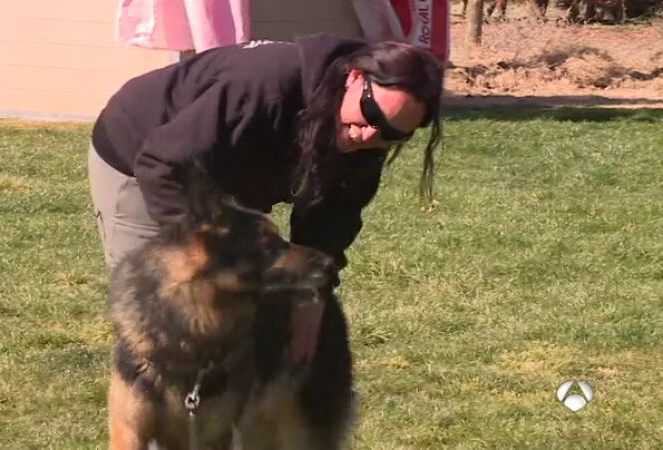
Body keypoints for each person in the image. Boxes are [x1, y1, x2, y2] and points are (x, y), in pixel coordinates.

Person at [88, 33, 443, 366]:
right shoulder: (265, 85)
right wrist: (209, 252)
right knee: (164, 321)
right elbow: (163, 165)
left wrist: (309, 300)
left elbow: (328, 223)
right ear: (354, 78)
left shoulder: (368, 139)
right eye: (371, 112)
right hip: (143, 156)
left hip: (229, 175)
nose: (366, 134)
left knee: (238, 319)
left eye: (392, 132)